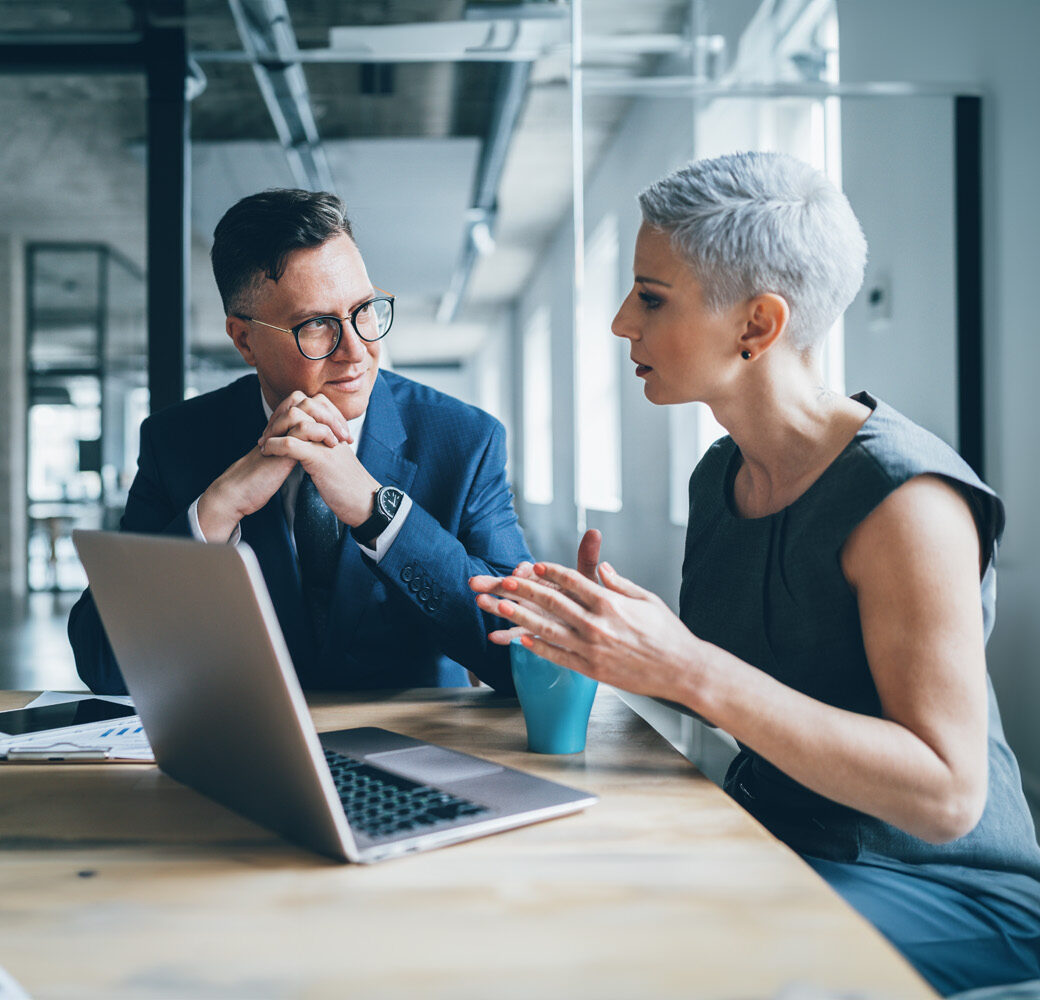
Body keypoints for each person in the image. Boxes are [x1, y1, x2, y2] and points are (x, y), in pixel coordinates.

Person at [471, 152, 1040, 994]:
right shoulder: (722, 475)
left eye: (652, 297)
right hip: (780, 839)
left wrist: (682, 663)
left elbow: (947, 794)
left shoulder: (906, 501)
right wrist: (611, 636)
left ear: (757, 326)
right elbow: (748, 687)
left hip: (943, 891)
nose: (623, 322)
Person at [70, 188, 531, 694]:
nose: (357, 351)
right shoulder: (176, 442)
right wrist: (217, 510)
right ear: (244, 340)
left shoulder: (465, 441)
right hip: (248, 752)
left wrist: (380, 514)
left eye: (365, 309)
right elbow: (103, 665)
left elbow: (520, 654)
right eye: (317, 325)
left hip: (417, 749)